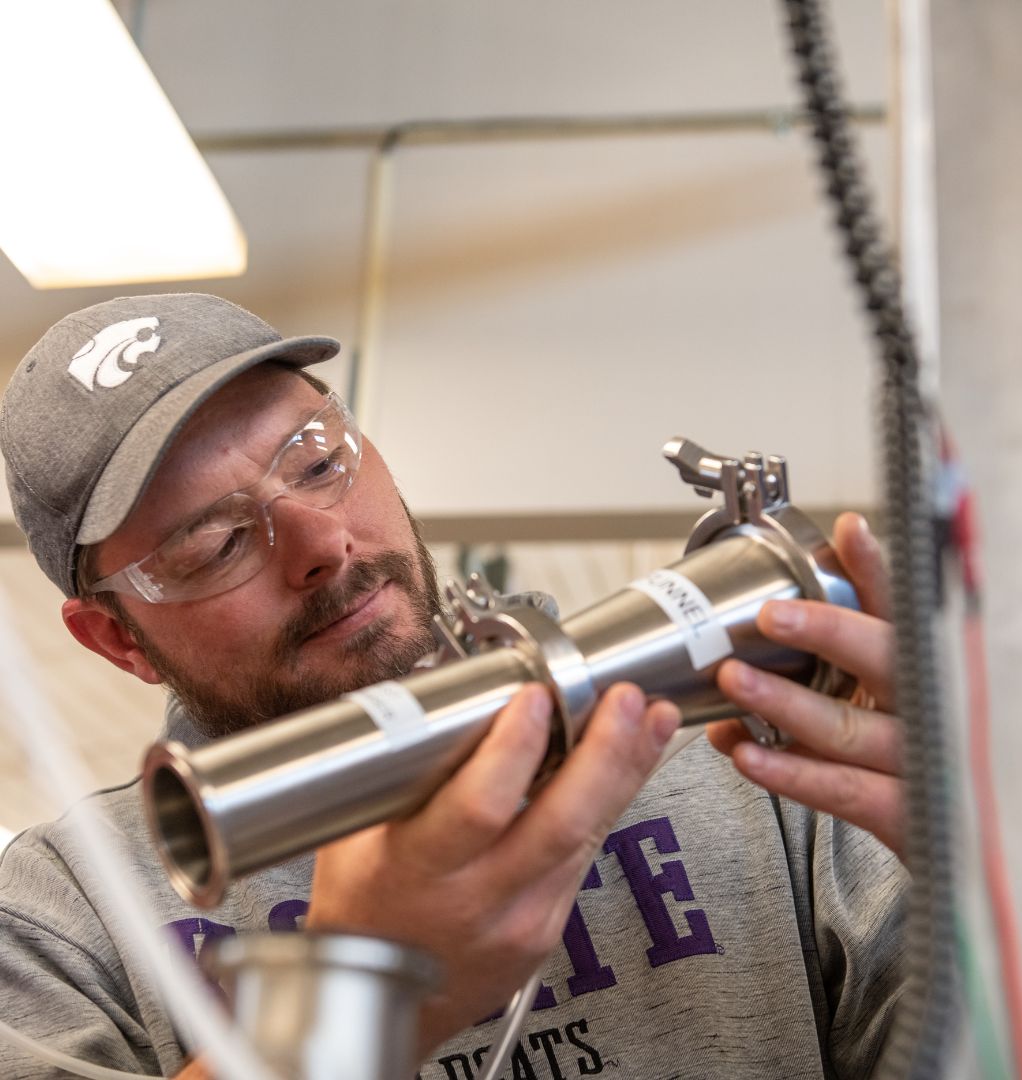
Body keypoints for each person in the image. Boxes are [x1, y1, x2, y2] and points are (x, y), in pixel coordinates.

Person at [0, 293, 906, 1080]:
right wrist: (355, 996)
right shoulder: (65, 912)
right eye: (213, 544)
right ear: (119, 640)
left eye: (318, 463)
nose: (322, 545)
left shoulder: (752, 744)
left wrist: (997, 862)